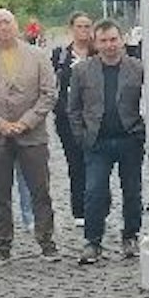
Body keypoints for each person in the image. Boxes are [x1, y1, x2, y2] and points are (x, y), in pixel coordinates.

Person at [0, 8, 59, 263]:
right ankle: (2, 244)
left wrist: (25, 122)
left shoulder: (38, 55)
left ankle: (46, 240)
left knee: (40, 190)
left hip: (32, 134)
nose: (2, 27)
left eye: (6, 22)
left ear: (16, 24)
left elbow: (49, 93)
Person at [66, 21, 145, 264]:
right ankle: (93, 241)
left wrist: (142, 132)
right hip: (97, 141)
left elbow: (148, 102)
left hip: (130, 139)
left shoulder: (138, 68)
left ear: (122, 40)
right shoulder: (82, 70)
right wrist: (81, 136)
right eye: (103, 41)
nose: (109, 45)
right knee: (94, 192)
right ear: (96, 42)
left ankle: (130, 236)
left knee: (132, 191)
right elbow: (73, 108)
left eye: (113, 39)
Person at [50, 12, 96, 217]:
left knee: (96, 163)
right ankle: (79, 209)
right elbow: (52, 84)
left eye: (87, 26)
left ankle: (98, 206)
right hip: (67, 117)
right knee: (75, 162)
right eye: (80, 26)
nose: (84, 30)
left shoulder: (97, 53)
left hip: (95, 117)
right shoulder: (61, 55)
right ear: (71, 29)